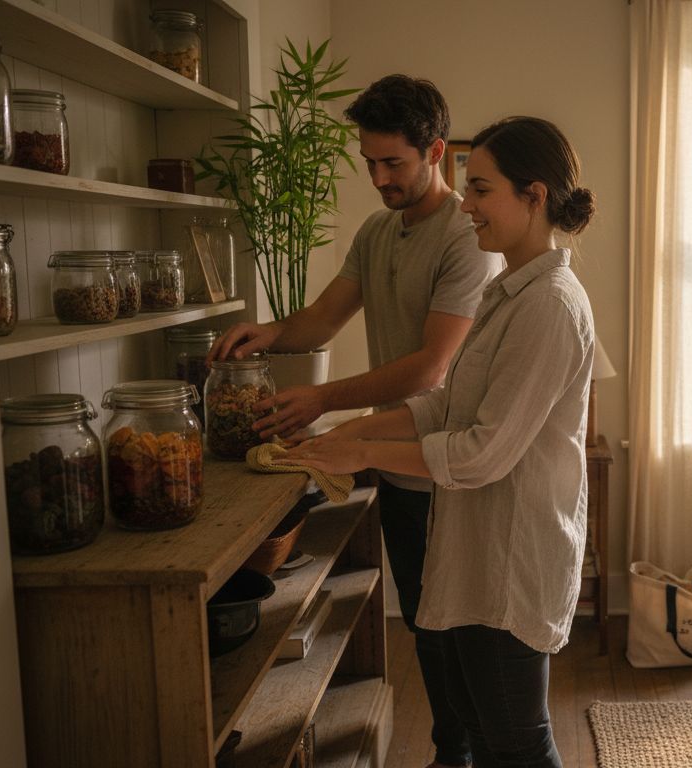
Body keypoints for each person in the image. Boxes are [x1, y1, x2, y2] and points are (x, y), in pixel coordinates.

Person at [282, 116, 597, 768]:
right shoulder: (510, 291)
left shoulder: (550, 306)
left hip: (511, 563)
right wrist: (357, 428)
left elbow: (481, 452)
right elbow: (447, 405)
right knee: (486, 736)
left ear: (533, 195)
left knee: (517, 743)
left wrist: (364, 452)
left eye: (480, 189)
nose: (468, 205)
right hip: (480, 553)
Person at [208, 75, 502, 768]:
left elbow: (431, 368)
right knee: (428, 628)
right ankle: (452, 754)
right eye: (368, 161)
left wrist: (322, 400)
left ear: (435, 151)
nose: (377, 177)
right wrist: (268, 334)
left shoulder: (469, 237)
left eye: (391, 162)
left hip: (453, 467)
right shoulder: (377, 231)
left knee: (463, 632)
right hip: (400, 461)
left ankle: (467, 754)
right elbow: (321, 319)